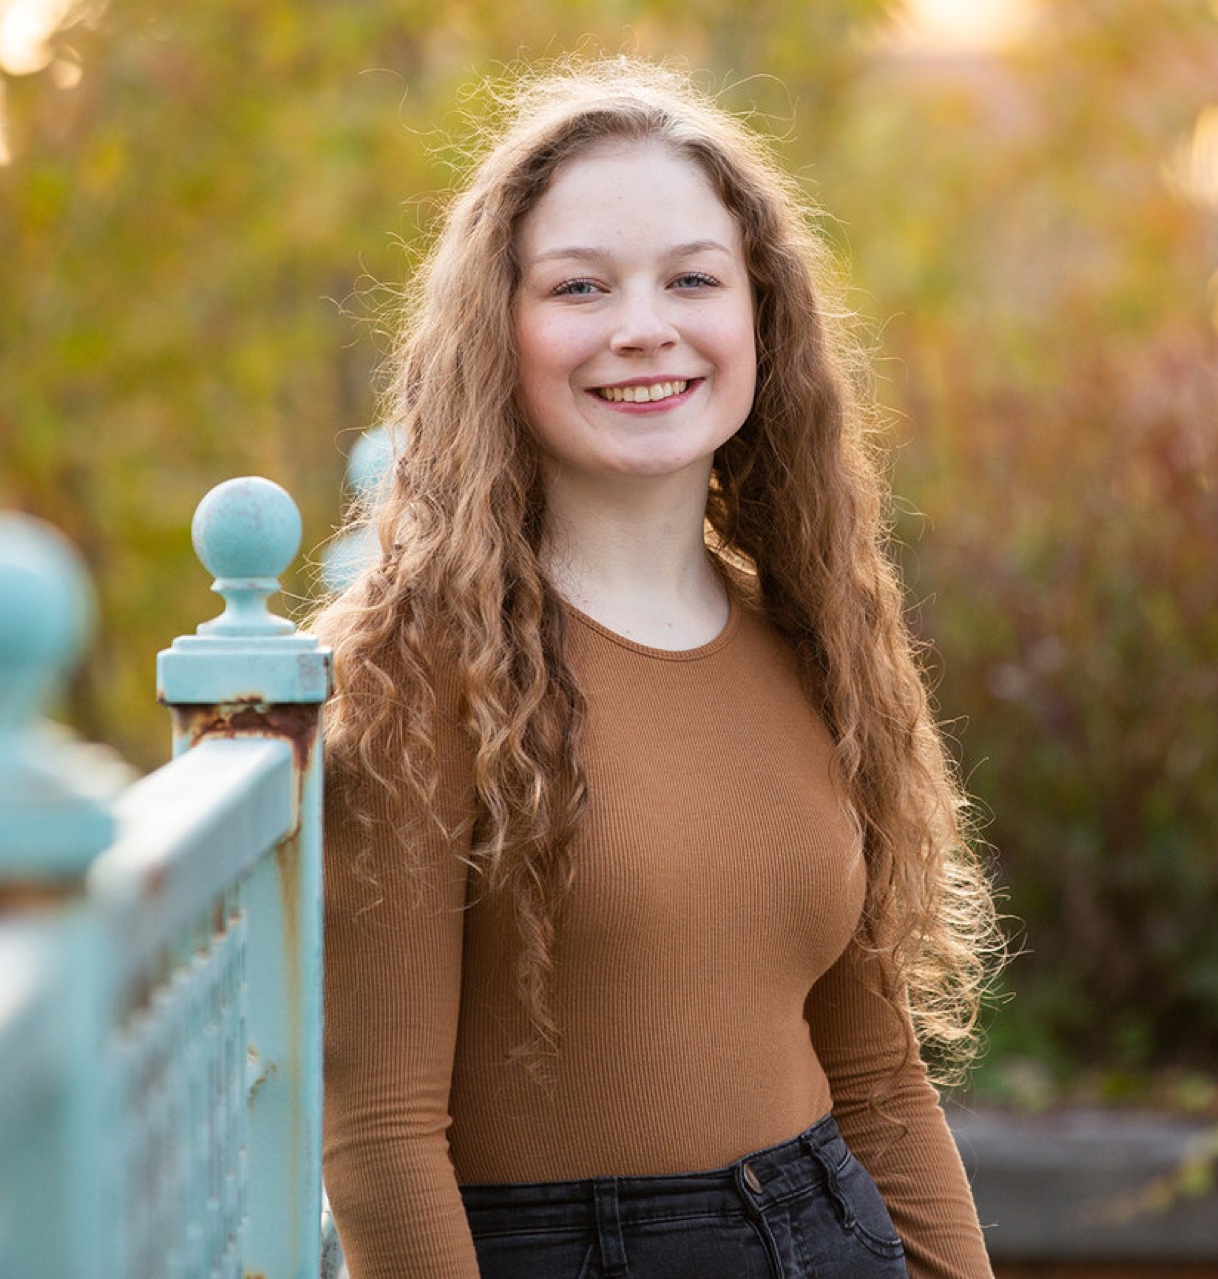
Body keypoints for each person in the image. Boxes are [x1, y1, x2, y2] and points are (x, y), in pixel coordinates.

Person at [313, 57, 1000, 1279]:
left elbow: (882, 1082)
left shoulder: (809, 634)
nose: (646, 327)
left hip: (834, 1228)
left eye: (694, 278)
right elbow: (378, 1140)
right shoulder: (418, 664)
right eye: (581, 285)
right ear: (499, 330)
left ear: (758, 317)